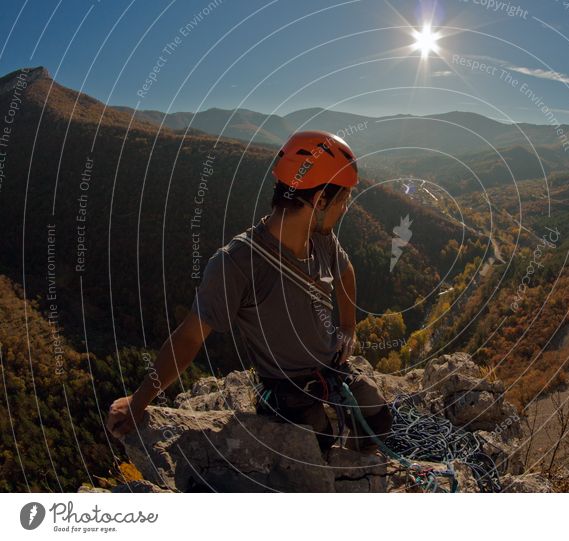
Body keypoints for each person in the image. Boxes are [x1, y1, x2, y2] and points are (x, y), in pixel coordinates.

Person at [105, 130, 393, 456]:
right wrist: (140, 400)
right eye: (343, 199)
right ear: (320, 201)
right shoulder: (237, 262)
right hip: (287, 384)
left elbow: (346, 271)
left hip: (331, 365)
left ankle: (358, 469)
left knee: (378, 420)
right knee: (316, 442)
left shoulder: (322, 240)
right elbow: (189, 337)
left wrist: (348, 327)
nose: (346, 208)